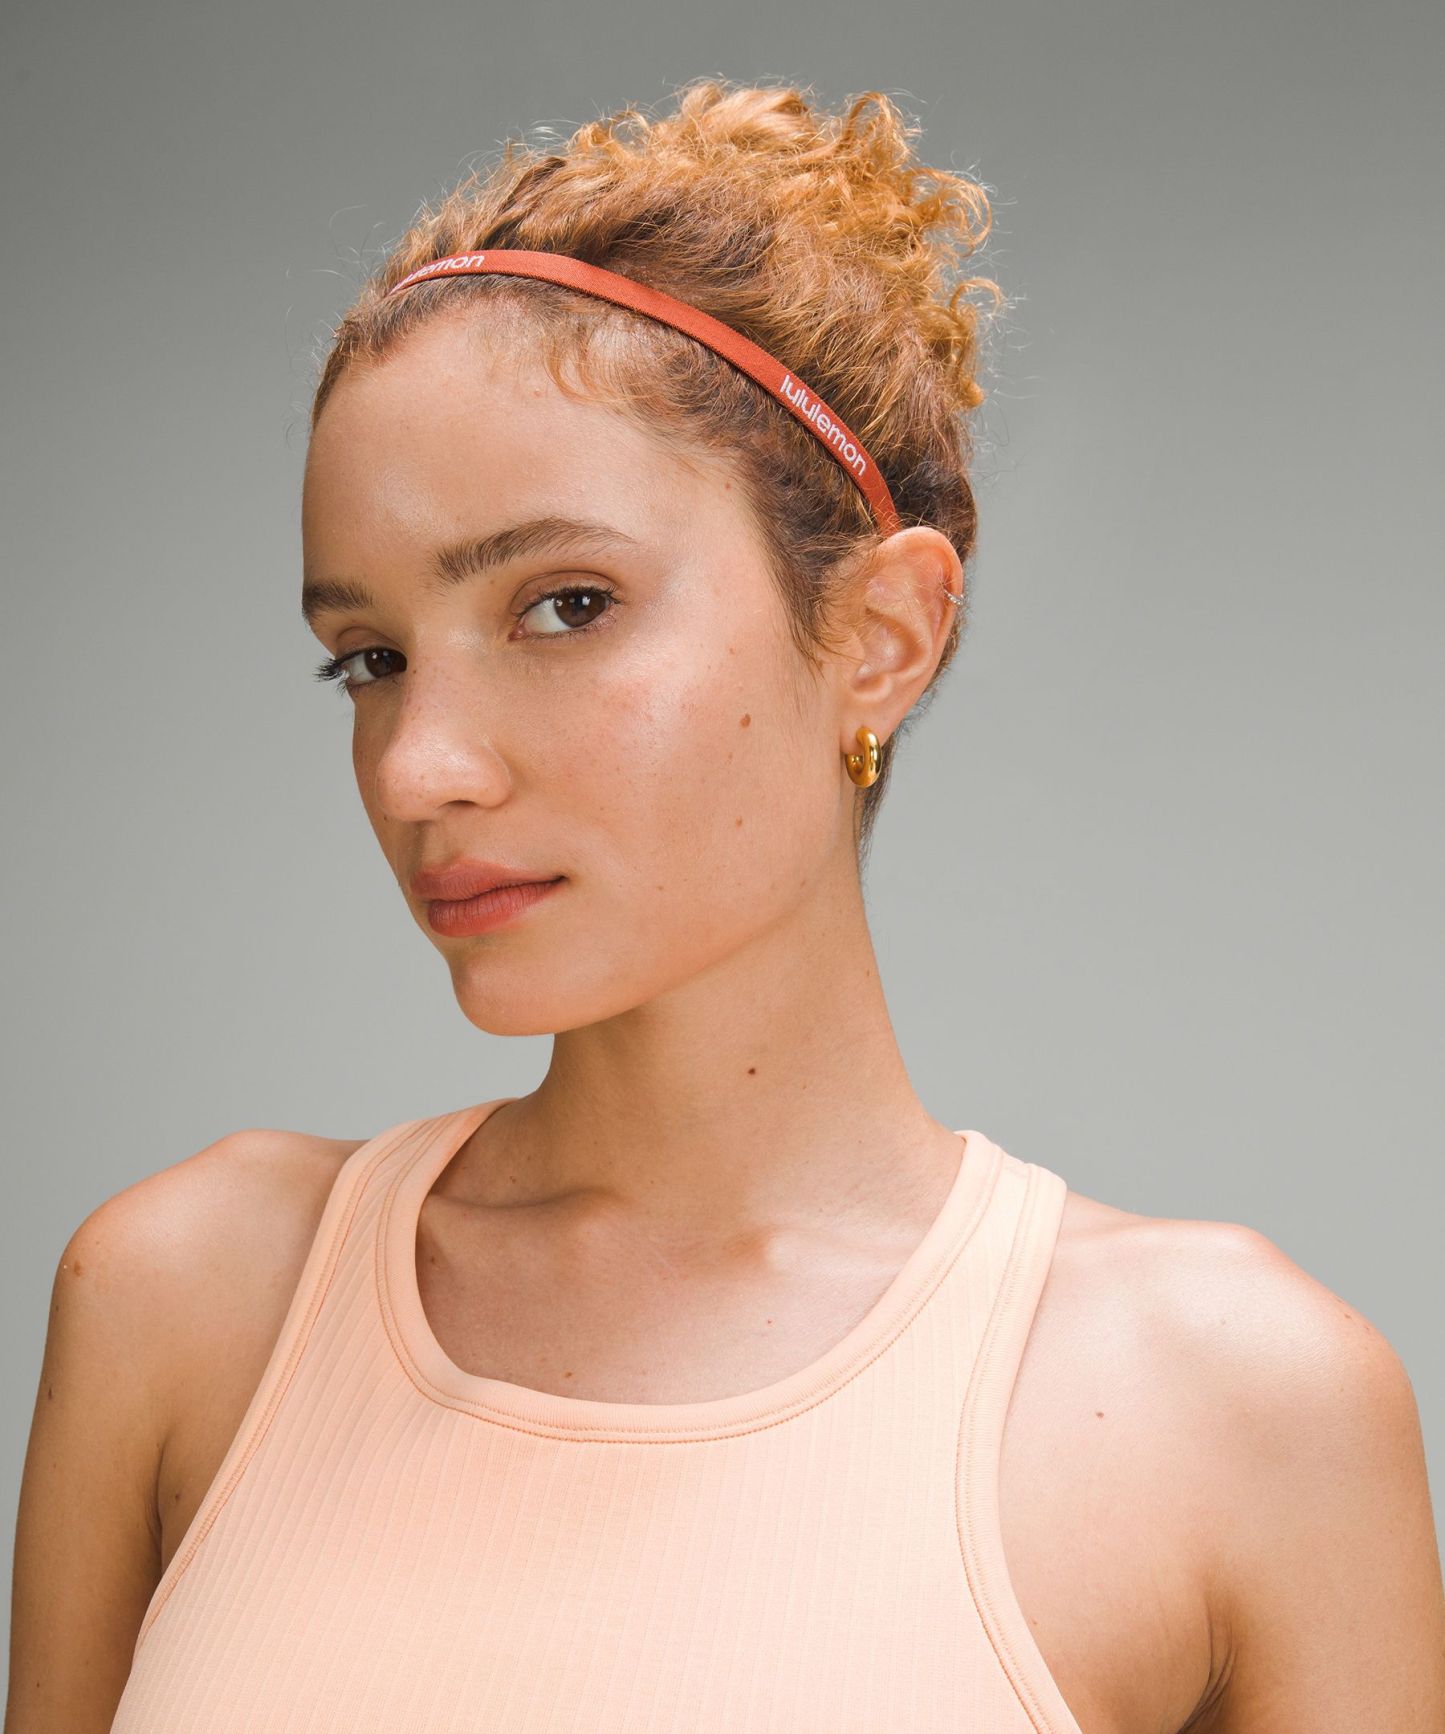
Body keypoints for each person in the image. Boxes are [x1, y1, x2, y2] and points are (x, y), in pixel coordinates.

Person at [8, 78, 1443, 1734]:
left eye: (564, 604)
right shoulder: (189, 1302)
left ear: (881, 636)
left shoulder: (1234, 1409)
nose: (419, 766)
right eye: (371, 657)